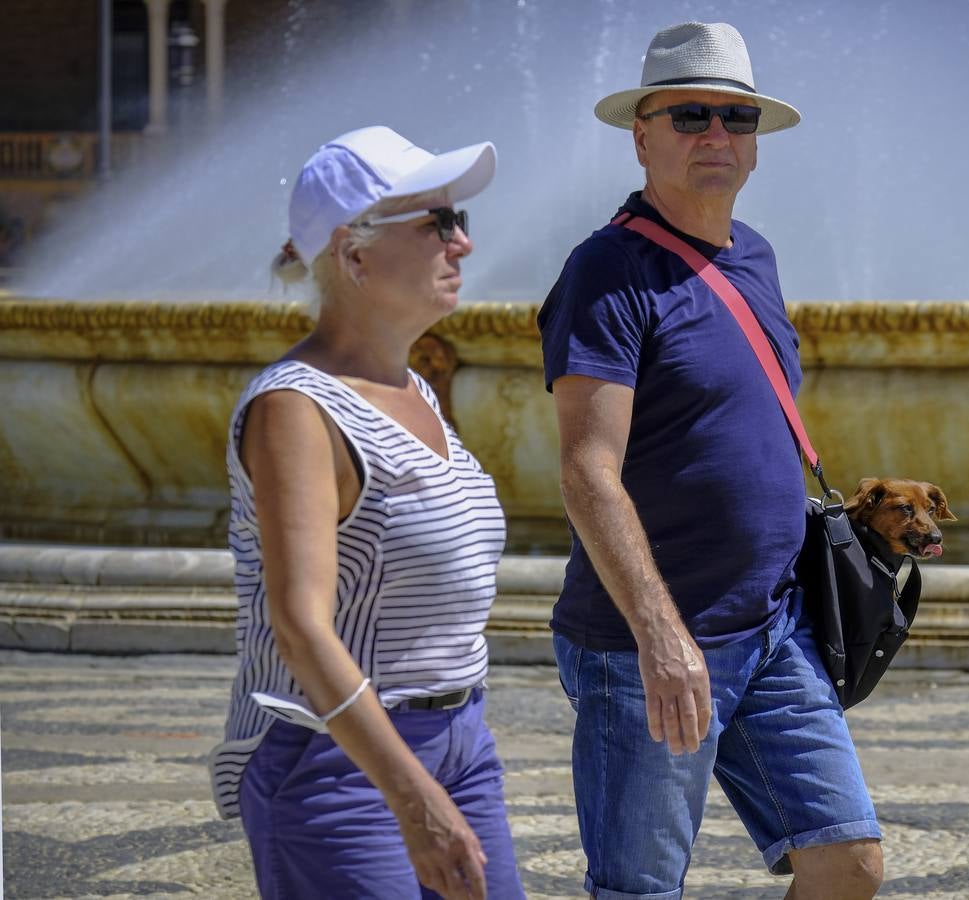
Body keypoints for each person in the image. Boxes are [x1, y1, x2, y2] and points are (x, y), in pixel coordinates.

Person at [537, 21, 885, 900]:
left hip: (772, 628)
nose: (717, 137)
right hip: (644, 642)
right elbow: (586, 469)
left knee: (847, 865)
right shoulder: (606, 271)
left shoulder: (755, 256)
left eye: (738, 119)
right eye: (690, 117)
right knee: (641, 889)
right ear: (641, 135)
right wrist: (661, 636)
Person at [208, 125, 525, 900]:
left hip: (460, 742)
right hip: (337, 759)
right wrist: (411, 796)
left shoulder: (412, 387)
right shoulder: (296, 407)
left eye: (462, 221)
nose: (463, 245)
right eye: (439, 223)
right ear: (353, 253)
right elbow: (301, 625)